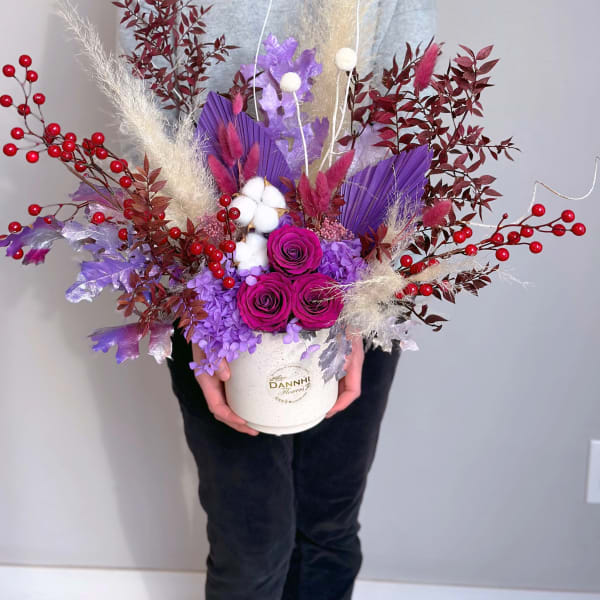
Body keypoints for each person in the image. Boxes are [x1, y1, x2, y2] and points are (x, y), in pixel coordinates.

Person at [121, 2, 436, 598]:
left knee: (327, 525)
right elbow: (146, 140)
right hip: (212, 278)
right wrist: (198, 318)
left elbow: (403, 125)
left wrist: (357, 308)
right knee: (253, 544)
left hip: (353, 279)